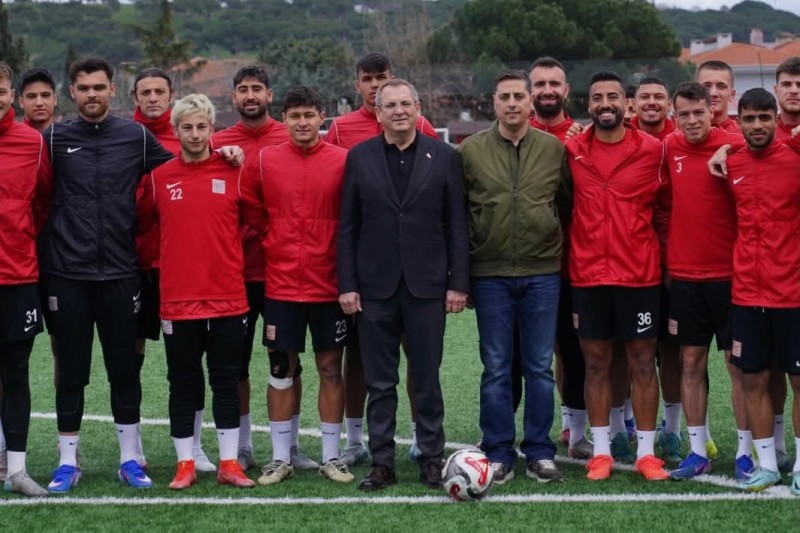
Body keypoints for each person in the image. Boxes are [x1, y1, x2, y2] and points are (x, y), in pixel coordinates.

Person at [40, 57, 241, 493]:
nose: (92, 94)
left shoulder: (135, 136)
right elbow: (36, 197)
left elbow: (187, 166)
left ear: (113, 90)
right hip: (68, 274)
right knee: (71, 371)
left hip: (120, 272)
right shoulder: (53, 138)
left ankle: (130, 459)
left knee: (124, 370)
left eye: (99, 86)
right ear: (72, 93)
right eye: (83, 88)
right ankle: (67, 462)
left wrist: (225, 152)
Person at [337, 79, 469, 491]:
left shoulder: (444, 156)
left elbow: (457, 225)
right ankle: (382, 463)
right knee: (380, 382)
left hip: (427, 287)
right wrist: (348, 284)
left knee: (426, 378)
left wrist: (457, 284)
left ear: (418, 108)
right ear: (377, 113)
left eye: (405, 104)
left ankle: (431, 459)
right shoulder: (359, 157)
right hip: (374, 288)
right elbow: (348, 226)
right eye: (390, 105)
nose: (398, 111)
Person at [326, 52, 440, 466]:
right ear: (360, 87)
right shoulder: (345, 136)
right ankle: (364, 446)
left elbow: (443, 207)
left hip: (421, 279)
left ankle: (424, 443)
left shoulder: (428, 137)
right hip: (373, 278)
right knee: (367, 367)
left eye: (383, 78)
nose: (377, 86)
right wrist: (349, 280)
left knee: (421, 368)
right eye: (369, 80)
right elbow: (344, 210)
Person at [459, 70, 570, 484]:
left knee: (540, 367)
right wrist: (465, 275)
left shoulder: (553, 149)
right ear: (493, 101)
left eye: (518, 97)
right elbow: (460, 213)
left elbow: (564, 204)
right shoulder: (470, 151)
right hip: (490, 275)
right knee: (496, 367)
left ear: (529, 102)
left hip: (542, 273)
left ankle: (540, 452)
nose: (511, 103)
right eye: (503, 96)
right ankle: (498, 451)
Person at [141, 93, 255, 490]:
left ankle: (229, 463)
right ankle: (185, 463)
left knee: (226, 380)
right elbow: (142, 226)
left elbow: (257, 220)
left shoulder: (235, 172)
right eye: (186, 127)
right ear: (175, 131)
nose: (194, 134)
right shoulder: (158, 178)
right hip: (178, 300)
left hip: (228, 298)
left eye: (201, 126)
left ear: (212, 128)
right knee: (183, 382)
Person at [241, 86, 354, 486]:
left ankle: (331, 457)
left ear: (322, 117)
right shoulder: (265, 160)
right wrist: (273, 236)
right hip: (282, 284)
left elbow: (354, 215)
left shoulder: (343, 160)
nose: (302, 122)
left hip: (329, 284)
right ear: (284, 119)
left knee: (330, 368)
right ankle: (279, 458)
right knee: (280, 369)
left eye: (309, 115)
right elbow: (249, 204)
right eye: (295, 116)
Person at [566, 71, 669, 482]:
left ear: (627, 104)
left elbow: (667, 208)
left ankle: (647, 454)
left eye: (613, 96)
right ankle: (601, 452)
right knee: (595, 364)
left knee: (643, 363)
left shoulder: (653, 150)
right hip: (588, 275)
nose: (605, 103)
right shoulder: (572, 149)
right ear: (588, 104)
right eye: (597, 97)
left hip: (639, 275)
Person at [211, 66, 307, 472]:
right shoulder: (216, 143)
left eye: (257, 89)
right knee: (234, 363)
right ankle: (244, 446)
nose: (250, 95)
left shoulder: (290, 136)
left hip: (283, 272)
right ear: (233, 97)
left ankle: (292, 446)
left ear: (270, 95)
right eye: (242, 89)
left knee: (286, 361)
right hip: (234, 272)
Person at [707, 88, 800, 494]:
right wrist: (726, 148)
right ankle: (767, 465)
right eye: (749, 118)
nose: (757, 125)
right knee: (753, 380)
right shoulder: (731, 163)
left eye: (765, 118)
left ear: (775, 119)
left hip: (794, 291)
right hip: (747, 292)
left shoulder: (795, 157)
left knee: (799, 382)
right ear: (738, 121)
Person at [658, 82, 747, 480]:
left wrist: (728, 147)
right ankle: (697, 452)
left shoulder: (737, 144)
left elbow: (775, 143)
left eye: (699, 112)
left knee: (738, 368)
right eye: (684, 114)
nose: (692, 120)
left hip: (731, 278)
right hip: (685, 278)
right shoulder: (669, 147)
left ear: (713, 111)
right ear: (674, 116)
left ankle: (745, 453)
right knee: (690, 363)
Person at [528, 57, 590, 459]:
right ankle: (512, 430)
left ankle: (574, 428)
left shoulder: (582, 137)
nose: (547, 90)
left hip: (572, 263)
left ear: (566, 90)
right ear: (530, 91)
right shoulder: (515, 133)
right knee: (523, 355)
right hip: (526, 264)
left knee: (573, 349)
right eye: (540, 84)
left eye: (554, 83)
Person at [0, 61, 49, 497]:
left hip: (17, 277)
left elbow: (43, 202)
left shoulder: (32, 142)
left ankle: (16, 470)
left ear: (11, 95)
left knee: (16, 373)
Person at [696, 61, 739, 133]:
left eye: (721, 86)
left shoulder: (744, 136)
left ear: (732, 95)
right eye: (706, 86)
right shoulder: (680, 136)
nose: (713, 93)